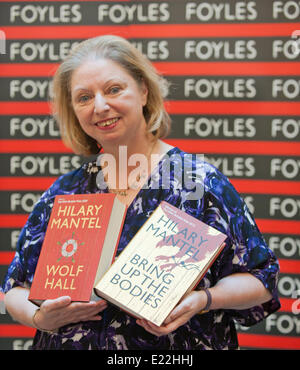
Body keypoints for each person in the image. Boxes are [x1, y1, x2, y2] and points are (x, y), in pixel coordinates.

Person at [2, 35, 280, 350]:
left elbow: (260, 279)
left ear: (144, 91)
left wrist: (202, 299)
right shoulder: (64, 192)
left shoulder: (198, 184)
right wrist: (40, 319)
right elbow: (14, 289)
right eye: (83, 97)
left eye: (113, 89)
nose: (100, 106)